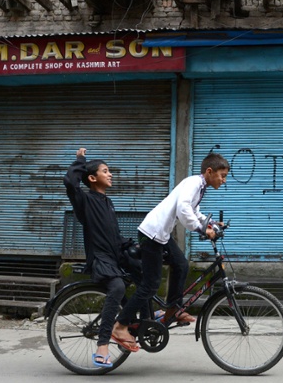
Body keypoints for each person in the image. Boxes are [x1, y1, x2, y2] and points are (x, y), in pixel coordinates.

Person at [112, 153, 230, 343]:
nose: (223, 181)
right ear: (210, 171)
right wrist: (200, 229)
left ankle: (173, 309)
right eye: (222, 175)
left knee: (181, 264)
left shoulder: (199, 187)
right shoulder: (193, 183)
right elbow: (183, 209)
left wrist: (212, 224)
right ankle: (120, 326)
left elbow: (194, 211)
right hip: (152, 234)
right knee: (150, 285)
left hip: (161, 234)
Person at [64, 148, 143, 368]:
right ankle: (103, 345)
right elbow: (71, 183)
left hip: (116, 256)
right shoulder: (85, 200)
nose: (110, 175)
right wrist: (81, 161)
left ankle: (144, 318)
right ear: (91, 178)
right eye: (105, 171)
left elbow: (113, 236)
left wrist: (135, 246)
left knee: (147, 272)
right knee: (117, 288)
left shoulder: (107, 202)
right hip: (101, 259)